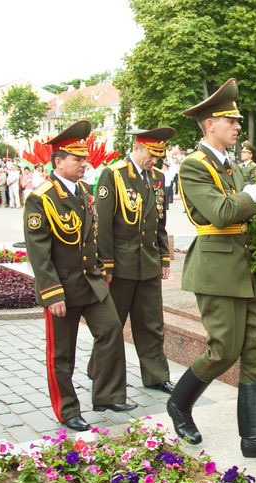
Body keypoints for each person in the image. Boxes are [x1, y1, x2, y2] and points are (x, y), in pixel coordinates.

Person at [167, 78, 256, 459]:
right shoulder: (194, 167)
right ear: (210, 124)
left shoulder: (230, 165)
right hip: (215, 265)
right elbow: (222, 212)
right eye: (231, 121)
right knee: (224, 349)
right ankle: (180, 404)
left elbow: (242, 208)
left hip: (242, 264)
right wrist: (250, 196)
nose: (237, 127)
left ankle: (255, 436)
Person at [23, 120, 137, 433]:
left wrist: (102, 268)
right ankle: (67, 410)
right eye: (77, 159)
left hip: (90, 281)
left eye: (85, 159)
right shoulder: (41, 198)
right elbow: (39, 252)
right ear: (58, 161)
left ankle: (108, 395)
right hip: (62, 287)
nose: (84, 164)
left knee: (111, 330)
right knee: (62, 352)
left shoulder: (85, 191)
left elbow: (93, 236)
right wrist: (51, 292)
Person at [96, 127, 176, 396]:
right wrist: (105, 263)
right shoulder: (114, 174)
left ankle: (156, 375)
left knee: (151, 323)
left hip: (149, 262)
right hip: (120, 265)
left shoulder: (157, 177)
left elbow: (159, 221)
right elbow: (103, 223)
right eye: (151, 154)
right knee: (112, 323)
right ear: (138, 147)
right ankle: (100, 371)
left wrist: (164, 256)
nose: (154, 160)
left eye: (158, 155)